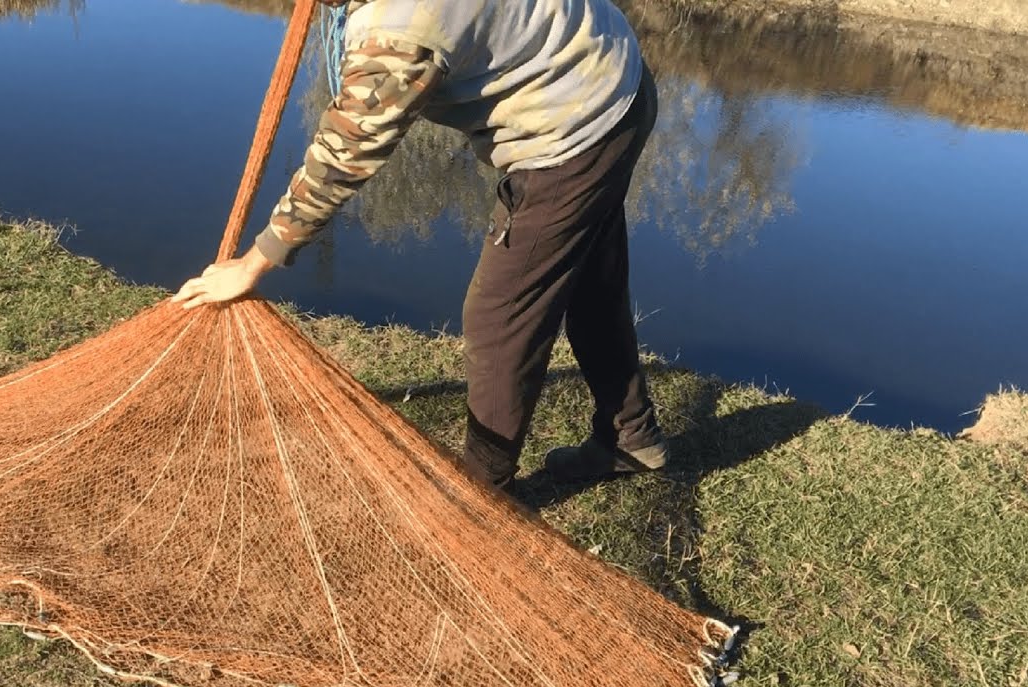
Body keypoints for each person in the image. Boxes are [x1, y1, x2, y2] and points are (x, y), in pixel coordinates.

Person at [173, 0, 665, 490]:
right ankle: (631, 437)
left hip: (575, 129)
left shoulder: (399, 30)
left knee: (499, 315)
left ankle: (482, 489)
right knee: (587, 279)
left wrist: (254, 262)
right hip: (617, 75)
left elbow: (346, 153)